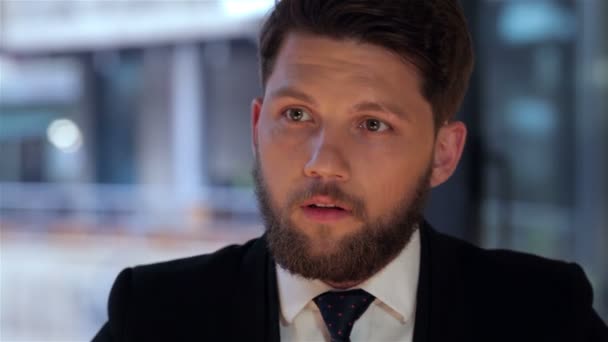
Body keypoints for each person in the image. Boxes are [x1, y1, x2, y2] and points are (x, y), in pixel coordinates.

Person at [93, 0, 608, 341]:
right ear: (256, 128)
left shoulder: (545, 316)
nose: (323, 162)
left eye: (372, 124)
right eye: (296, 115)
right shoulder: (152, 317)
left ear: (443, 155)